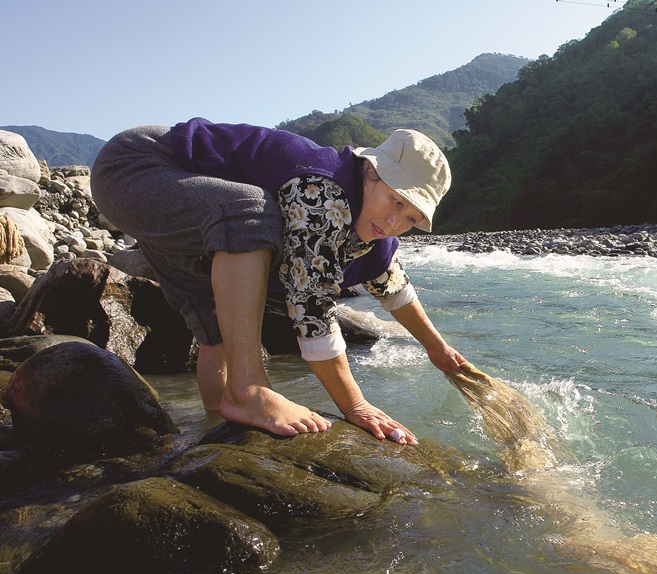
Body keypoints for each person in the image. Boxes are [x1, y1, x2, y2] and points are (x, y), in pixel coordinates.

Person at [91, 118, 466, 444]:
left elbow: (394, 288)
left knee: (217, 335)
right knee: (250, 212)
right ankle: (249, 389)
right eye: (397, 202)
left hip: (185, 218)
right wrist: (355, 405)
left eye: (412, 218)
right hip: (135, 169)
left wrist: (439, 349)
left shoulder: (371, 233)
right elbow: (312, 308)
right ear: (370, 171)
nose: (395, 223)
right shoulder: (322, 191)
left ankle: (216, 432)